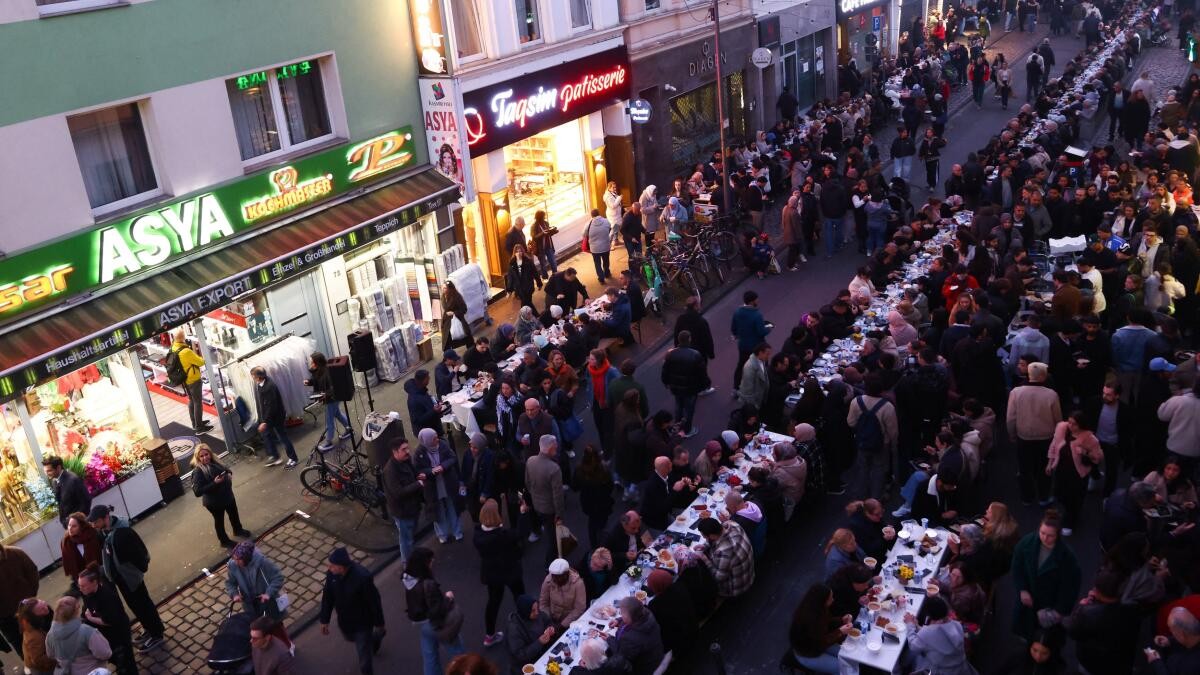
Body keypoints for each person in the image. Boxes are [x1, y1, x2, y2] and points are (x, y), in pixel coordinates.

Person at [87, 504, 165, 651]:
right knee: (135, 606)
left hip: (131, 578)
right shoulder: (106, 532)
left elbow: (140, 554)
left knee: (144, 605)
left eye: (95, 521)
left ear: (105, 518)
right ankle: (149, 628)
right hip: (121, 579)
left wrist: (136, 573)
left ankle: (157, 633)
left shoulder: (123, 533)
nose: (93, 525)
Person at [1011, 510, 1081, 639]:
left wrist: (1060, 610)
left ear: (1058, 535)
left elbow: (1071, 587)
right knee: (1025, 630)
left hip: (1050, 604)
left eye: (1050, 535)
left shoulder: (1067, 557)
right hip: (1028, 601)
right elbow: (1017, 566)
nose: (1044, 538)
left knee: (1046, 638)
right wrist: (1022, 589)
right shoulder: (1027, 542)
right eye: (1042, 533)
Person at [1061, 569, 1141, 675]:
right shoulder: (1133, 608)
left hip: (1092, 666)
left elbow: (1072, 629)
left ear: (1097, 591)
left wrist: (1081, 608)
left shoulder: (1087, 614)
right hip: (1121, 665)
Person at [320, 547, 385, 674]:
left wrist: (379, 623)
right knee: (350, 638)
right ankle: (375, 638)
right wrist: (324, 619)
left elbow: (374, 602)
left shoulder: (362, 577)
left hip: (362, 624)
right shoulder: (332, 575)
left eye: (333, 565)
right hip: (345, 622)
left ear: (342, 567)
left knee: (364, 659)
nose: (329, 568)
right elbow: (328, 596)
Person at [473, 499, 526, 648]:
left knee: (493, 602)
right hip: (510, 571)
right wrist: (522, 514)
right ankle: (527, 624)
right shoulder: (503, 535)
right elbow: (520, 533)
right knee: (520, 596)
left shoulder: (478, 535)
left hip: (492, 574)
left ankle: (489, 635)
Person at [403, 547, 464, 675]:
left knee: (430, 659)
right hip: (437, 625)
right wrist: (448, 598)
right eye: (430, 560)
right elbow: (437, 610)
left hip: (422, 625)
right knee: (459, 656)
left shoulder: (408, 579)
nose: (433, 562)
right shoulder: (428, 584)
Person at [1008, 363, 1062, 506]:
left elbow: (1011, 418)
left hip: (1024, 436)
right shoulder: (1051, 394)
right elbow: (1058, 419)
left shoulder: (1016, 392)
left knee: (1024, 469)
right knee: (1044, 469)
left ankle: (1027, 498)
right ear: (1043, 376)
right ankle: (1043, 497)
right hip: (1046, 438)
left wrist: (1012, 434)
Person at [1045, 413, 1103, 535]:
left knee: (1074, 497)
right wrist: (1050, 463)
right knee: (1061, 494)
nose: (1070, 425)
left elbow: (1098, 457)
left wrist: (1085, 452)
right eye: (1069, 422)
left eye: (1074, 424)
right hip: (1062, 470)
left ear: (1081, 424)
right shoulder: (1062, 430)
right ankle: (1069, 512)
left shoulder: (1090, 439)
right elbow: (1054, 446)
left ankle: (1070, 521)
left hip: (1078, 474)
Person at [76, 564, 136, 675]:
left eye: (83, 585)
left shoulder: (107, 596)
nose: (80, 588)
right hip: (106, 635)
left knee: (127, 663)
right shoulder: (86, 593)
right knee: (116, 660)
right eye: (79, 585)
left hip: (118, 634)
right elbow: (86, 609)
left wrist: (90, 618)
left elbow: (109, 621)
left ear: (94, 583)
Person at [190, 443, 250, 547]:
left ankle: (238, 530)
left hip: (227, 495)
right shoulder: (198, 471)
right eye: (202, 456)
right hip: (214, 502)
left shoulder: (215, 461)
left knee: (233, 514)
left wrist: (229, 474)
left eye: (206, 454)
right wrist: (214, 483)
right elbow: (197, 491)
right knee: (219, 521)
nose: (205, 458)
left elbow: (226, 469)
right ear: (198, 458)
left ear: (210, 453)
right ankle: (224, 541)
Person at [902, 595, 977, 675]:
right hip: (960, 668)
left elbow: (913, 646)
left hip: (941, 671)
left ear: (930, 616)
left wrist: (910, 624)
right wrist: (916, 626)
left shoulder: (929, 632)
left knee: (911, 655)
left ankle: (901, 668)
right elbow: (934, 636)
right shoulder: (957, 625)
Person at [413, 427, 464, 544]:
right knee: (438, 510)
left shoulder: (442, 444)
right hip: (433, 487)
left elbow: (452, 458)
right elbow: (417, 470)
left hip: (447, 482)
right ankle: (443, 534)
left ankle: (457, 532)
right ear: (426, 440)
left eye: (436, 436)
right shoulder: (419, 453)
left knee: (453, 507)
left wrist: (443, 467)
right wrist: (431, 471)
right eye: (433, 438)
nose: (437, 439)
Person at [788, 582, 852, 674]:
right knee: (842, 668)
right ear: (822, 601)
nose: (833, 600)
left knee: (847, 655)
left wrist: (841, 620)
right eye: (830, 598)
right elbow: (819, 643)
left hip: (818, 644)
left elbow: (826, 622)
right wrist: (840, 632)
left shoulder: (818, 608)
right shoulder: (809, 619)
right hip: (808, 653)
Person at [226, 540, 287, 629]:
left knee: (276, 627)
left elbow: (278, 577)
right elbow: (230, 583)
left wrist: (268, 593)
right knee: (258, 630)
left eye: (238, 559)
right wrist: (234, 594)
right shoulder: (233, 565)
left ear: (246, 558)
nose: (236, 562)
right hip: (250, 606)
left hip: (268, 604)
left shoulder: (263, 563)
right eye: (234, 558)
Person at [45, 596, 112, 675]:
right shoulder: (86, 631)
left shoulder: (50, 636)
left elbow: (51, 655)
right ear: (76, 611)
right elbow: (105, 653)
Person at [525, 435, 565, 565]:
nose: (557, 447)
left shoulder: (530, 461)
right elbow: (557, 495)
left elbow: (528, 483)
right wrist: (559, 515)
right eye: (555, 446)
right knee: (553, 538)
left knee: (547, 529)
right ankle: (551, 564)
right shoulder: (554, 468)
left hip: (537, 505)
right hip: (549, 509)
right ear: (550, 449)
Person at [383, 437, 423, 566]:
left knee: (411, 537)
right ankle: (408, 565)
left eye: (407, 447)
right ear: (395, 452)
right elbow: (398, 493)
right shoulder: (390, 471)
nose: (408, 451)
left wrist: (418, 475)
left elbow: (412, 472)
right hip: (403, 512)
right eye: (404, 449)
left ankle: (412, 558)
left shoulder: (406, 460)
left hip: (413, 507)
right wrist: (418, 484)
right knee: (406, 541)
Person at [661, 330, 709, 436]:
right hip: (690, 388)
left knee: (678, 405)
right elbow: (702, 373)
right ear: (689, 339)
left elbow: (665, 371)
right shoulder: (695, 355)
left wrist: (666, 382)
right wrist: (704, 385)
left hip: (676, 387)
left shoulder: (670, 354)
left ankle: (677, 426)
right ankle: (687, 430)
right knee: (689, 409)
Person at [252, 366, 298, 467]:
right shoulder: (262, 384)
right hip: (269, 417)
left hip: (276, 417)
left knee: (282, 437)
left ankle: (293, 458)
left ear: (259, 377)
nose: (253, 379)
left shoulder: (269, 387)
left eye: (253, 377)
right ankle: (275, 456)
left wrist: (265, 422)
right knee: (267, 435)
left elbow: (271, 406)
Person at [697, 517, 754, 598]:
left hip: (737, 588)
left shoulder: (723, 552)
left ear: (712, 535)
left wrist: (705, 559)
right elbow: (715, 539)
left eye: (705, 537)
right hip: (748, 574)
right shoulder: (732, 524)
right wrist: (704, 546)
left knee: (702, 577)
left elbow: (719, 577)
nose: (704, 538)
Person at [306, 352, 352, 450]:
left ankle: (328, 442)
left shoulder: (328, 371)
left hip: (332, 398)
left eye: (312, 362)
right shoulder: (318, 370)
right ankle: (349, 429)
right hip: (328, 397)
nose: (310, 364)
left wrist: (325, 395)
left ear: (317, 362)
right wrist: (309, 382)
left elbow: (334, 387)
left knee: (329, 419)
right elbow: (317, 381)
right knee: (337, 414)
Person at [607, 596, 664, 675]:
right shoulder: (646, 613)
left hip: (644, 668)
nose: (621, 615)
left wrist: (609, 639)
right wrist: (618, 620)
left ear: (628, 616)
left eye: (621, 613)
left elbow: (621, 655)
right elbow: (632, 619)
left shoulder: (631, 638)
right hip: (655, 655)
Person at [573, 445, 615, 549]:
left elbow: (574, 487)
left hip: (588, 502)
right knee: (603, 524)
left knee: (592, 523)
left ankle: (594, 546)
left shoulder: (579, 470)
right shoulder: (604, 470)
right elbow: (610, 487)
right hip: (603, 502)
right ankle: (603, 545)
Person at [0, 544, 38, 659]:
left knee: (39, 637)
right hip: (4, 617)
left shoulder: (15, 553)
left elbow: (32, 572)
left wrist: (31, 596)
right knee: (20, 645)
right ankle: (32, 666)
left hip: (26, 608)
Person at [170, 329, 211, 433]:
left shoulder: (173, 348)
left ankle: (195, 423)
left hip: (184, 380)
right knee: (198, 403)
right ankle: (199, 428)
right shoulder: (186, 351)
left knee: (192, 401)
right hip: (193, 379)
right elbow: (201, 362)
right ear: (183, 337)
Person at [731, 291, 772, 391]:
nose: (758, 300)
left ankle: (736, 388)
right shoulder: (757, 315)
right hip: (757, 345)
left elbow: (734, 329)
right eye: (756, 299)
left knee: (741, 366)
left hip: (743, 345)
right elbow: (761, 332)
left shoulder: (737, 312)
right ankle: (764, 386)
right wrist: (769, 328)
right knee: (763, 364)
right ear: (752, 301)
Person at [505, 595, 554, 673]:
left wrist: (550, 628)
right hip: (528, 664)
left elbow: (548, 621)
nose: (537, 612)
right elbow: (520, 655)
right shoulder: (514, 629)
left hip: (543, 653)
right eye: (533, 610)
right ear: (525, 611)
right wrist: (539, 643)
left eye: (537, 608)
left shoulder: (538, 614)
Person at [540, 557, 586, 634]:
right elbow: (543, 603)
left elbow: (579, 608)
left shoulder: (578, 584)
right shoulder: (549, 580)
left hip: (570, 621)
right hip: (552, 619)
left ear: (566, 574)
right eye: (553, 577)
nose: (555, 580)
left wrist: (562, 625)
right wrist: (548, 620)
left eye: (558, 577)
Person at [1147, 606, 1200, 672]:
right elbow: (1188, 634)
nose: (1171, 632)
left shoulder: (1189, 667)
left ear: (1181, 634)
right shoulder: (1194, 630)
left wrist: (1156, 663)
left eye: (1171, 630)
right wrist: (1170, 641)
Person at [42, 455, 90, 527]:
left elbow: (86, 501)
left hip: (81, 525)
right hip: (69, 524)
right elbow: (61, 504)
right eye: (45, 471)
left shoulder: (73, 480)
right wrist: (64, 521)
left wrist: (77, 520)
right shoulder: (54, 481)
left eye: (49, 471)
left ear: (58, 468)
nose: (47, 474)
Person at [16, 598, 57, 675]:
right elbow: (38, 660)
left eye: (44, 603)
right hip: (43, 670)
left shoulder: (40, 620)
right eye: (41, 609)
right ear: (34, 615)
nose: (46, 607)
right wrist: (58, 655)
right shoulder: (33, 637)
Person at [59, 513, 101, 581]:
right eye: (69, 525)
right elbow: (70, 565)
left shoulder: (92, 534)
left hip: (99, 573)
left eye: (74, 526)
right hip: (81, 580)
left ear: (82, 526)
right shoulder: (66, 542)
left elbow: (100, 557)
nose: (70, 528)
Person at [584, 208, 616, 282]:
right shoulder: (606, 221)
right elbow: (610, 228)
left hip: (594, 249)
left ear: (591, 215)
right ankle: (607, 273)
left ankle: (601, 278)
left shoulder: (588, 224)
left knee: (597, 264)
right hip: (605, 246)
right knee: (606, 261)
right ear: (599, 213)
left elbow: (584, 234)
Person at [506, 243, 541, 310]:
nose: (519, 253)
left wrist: (539, 283)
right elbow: (510, 278)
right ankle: (534, 316)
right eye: (517, 252)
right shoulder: (512, 263)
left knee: (526, 303)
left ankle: (528, 316)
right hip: (519, 288)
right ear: (514, 253)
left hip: (528, 286)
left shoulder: (528, 261)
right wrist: (509, 290)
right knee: (526, 303)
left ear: (523, 252)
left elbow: (535, 273)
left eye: (520, 251)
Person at [737, 342, 771, 410]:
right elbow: (748, 391)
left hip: (759, 398)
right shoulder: (749, 367)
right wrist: (754, 407)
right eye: (767, 354)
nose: (768, 356)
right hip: (754, 403)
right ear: (760, 353)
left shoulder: (761, 360)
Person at [441, 280, 472, 349]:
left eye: (445, 288)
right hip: (447, 321)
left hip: (457, 319)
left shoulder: (456, 297)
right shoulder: (443, 296)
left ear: (450, 289)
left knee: (467, 337)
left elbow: (464, 309)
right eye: (442, 287)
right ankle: (447, 356)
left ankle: (471, 352)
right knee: (446, 341)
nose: (443, 289)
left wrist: (454, 313)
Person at [530, 210, 557, 277]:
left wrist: (553, 231)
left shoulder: (546, 223)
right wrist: (542, 233)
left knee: (553, 262)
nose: (544, 218)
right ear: (539, 217)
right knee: (543, 264)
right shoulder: (534, 226)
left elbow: (548, 233)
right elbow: (534, 236)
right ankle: (545, 278)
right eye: (543, 216)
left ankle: (555, 276)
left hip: (549, 246)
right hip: (540, 248)